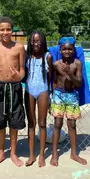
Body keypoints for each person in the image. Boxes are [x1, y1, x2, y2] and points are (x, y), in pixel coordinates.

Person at [0, 16, 26, 167]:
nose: (5, 32)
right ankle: (1, 152)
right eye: (2, 29)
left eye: (8, 29)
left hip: (14, 88)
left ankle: (13, 153)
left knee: (14, 121)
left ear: (12, 31)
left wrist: (19, 77)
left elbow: (22, 69)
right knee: (0, 121)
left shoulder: (19, 48)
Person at [50, 37, 86, 167]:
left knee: (72, 125)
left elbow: (79, 82)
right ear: (60, 50)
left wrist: (70, 73)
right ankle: (54, 154)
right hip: (58, 94)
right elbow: (54, 82)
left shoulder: (77, 64)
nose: (67, 51)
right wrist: (52, 99)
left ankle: (74, 153)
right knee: (57, 124)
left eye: (70, 49)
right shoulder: (56, 64)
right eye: (64, 49)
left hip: (72, 95)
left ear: (74, 50)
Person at [24, 31, 52, 167]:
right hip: (29, 91)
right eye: (34, 41)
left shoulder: (47, 57)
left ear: (43, 42)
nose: (36, 43)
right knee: (31, 124)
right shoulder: (27, 56)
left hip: (43, 91)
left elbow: (51, 78)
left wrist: (51, 96)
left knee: (42, 123)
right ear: (30, 42)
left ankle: (42, 155)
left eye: (39, 41)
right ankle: (31, 155)